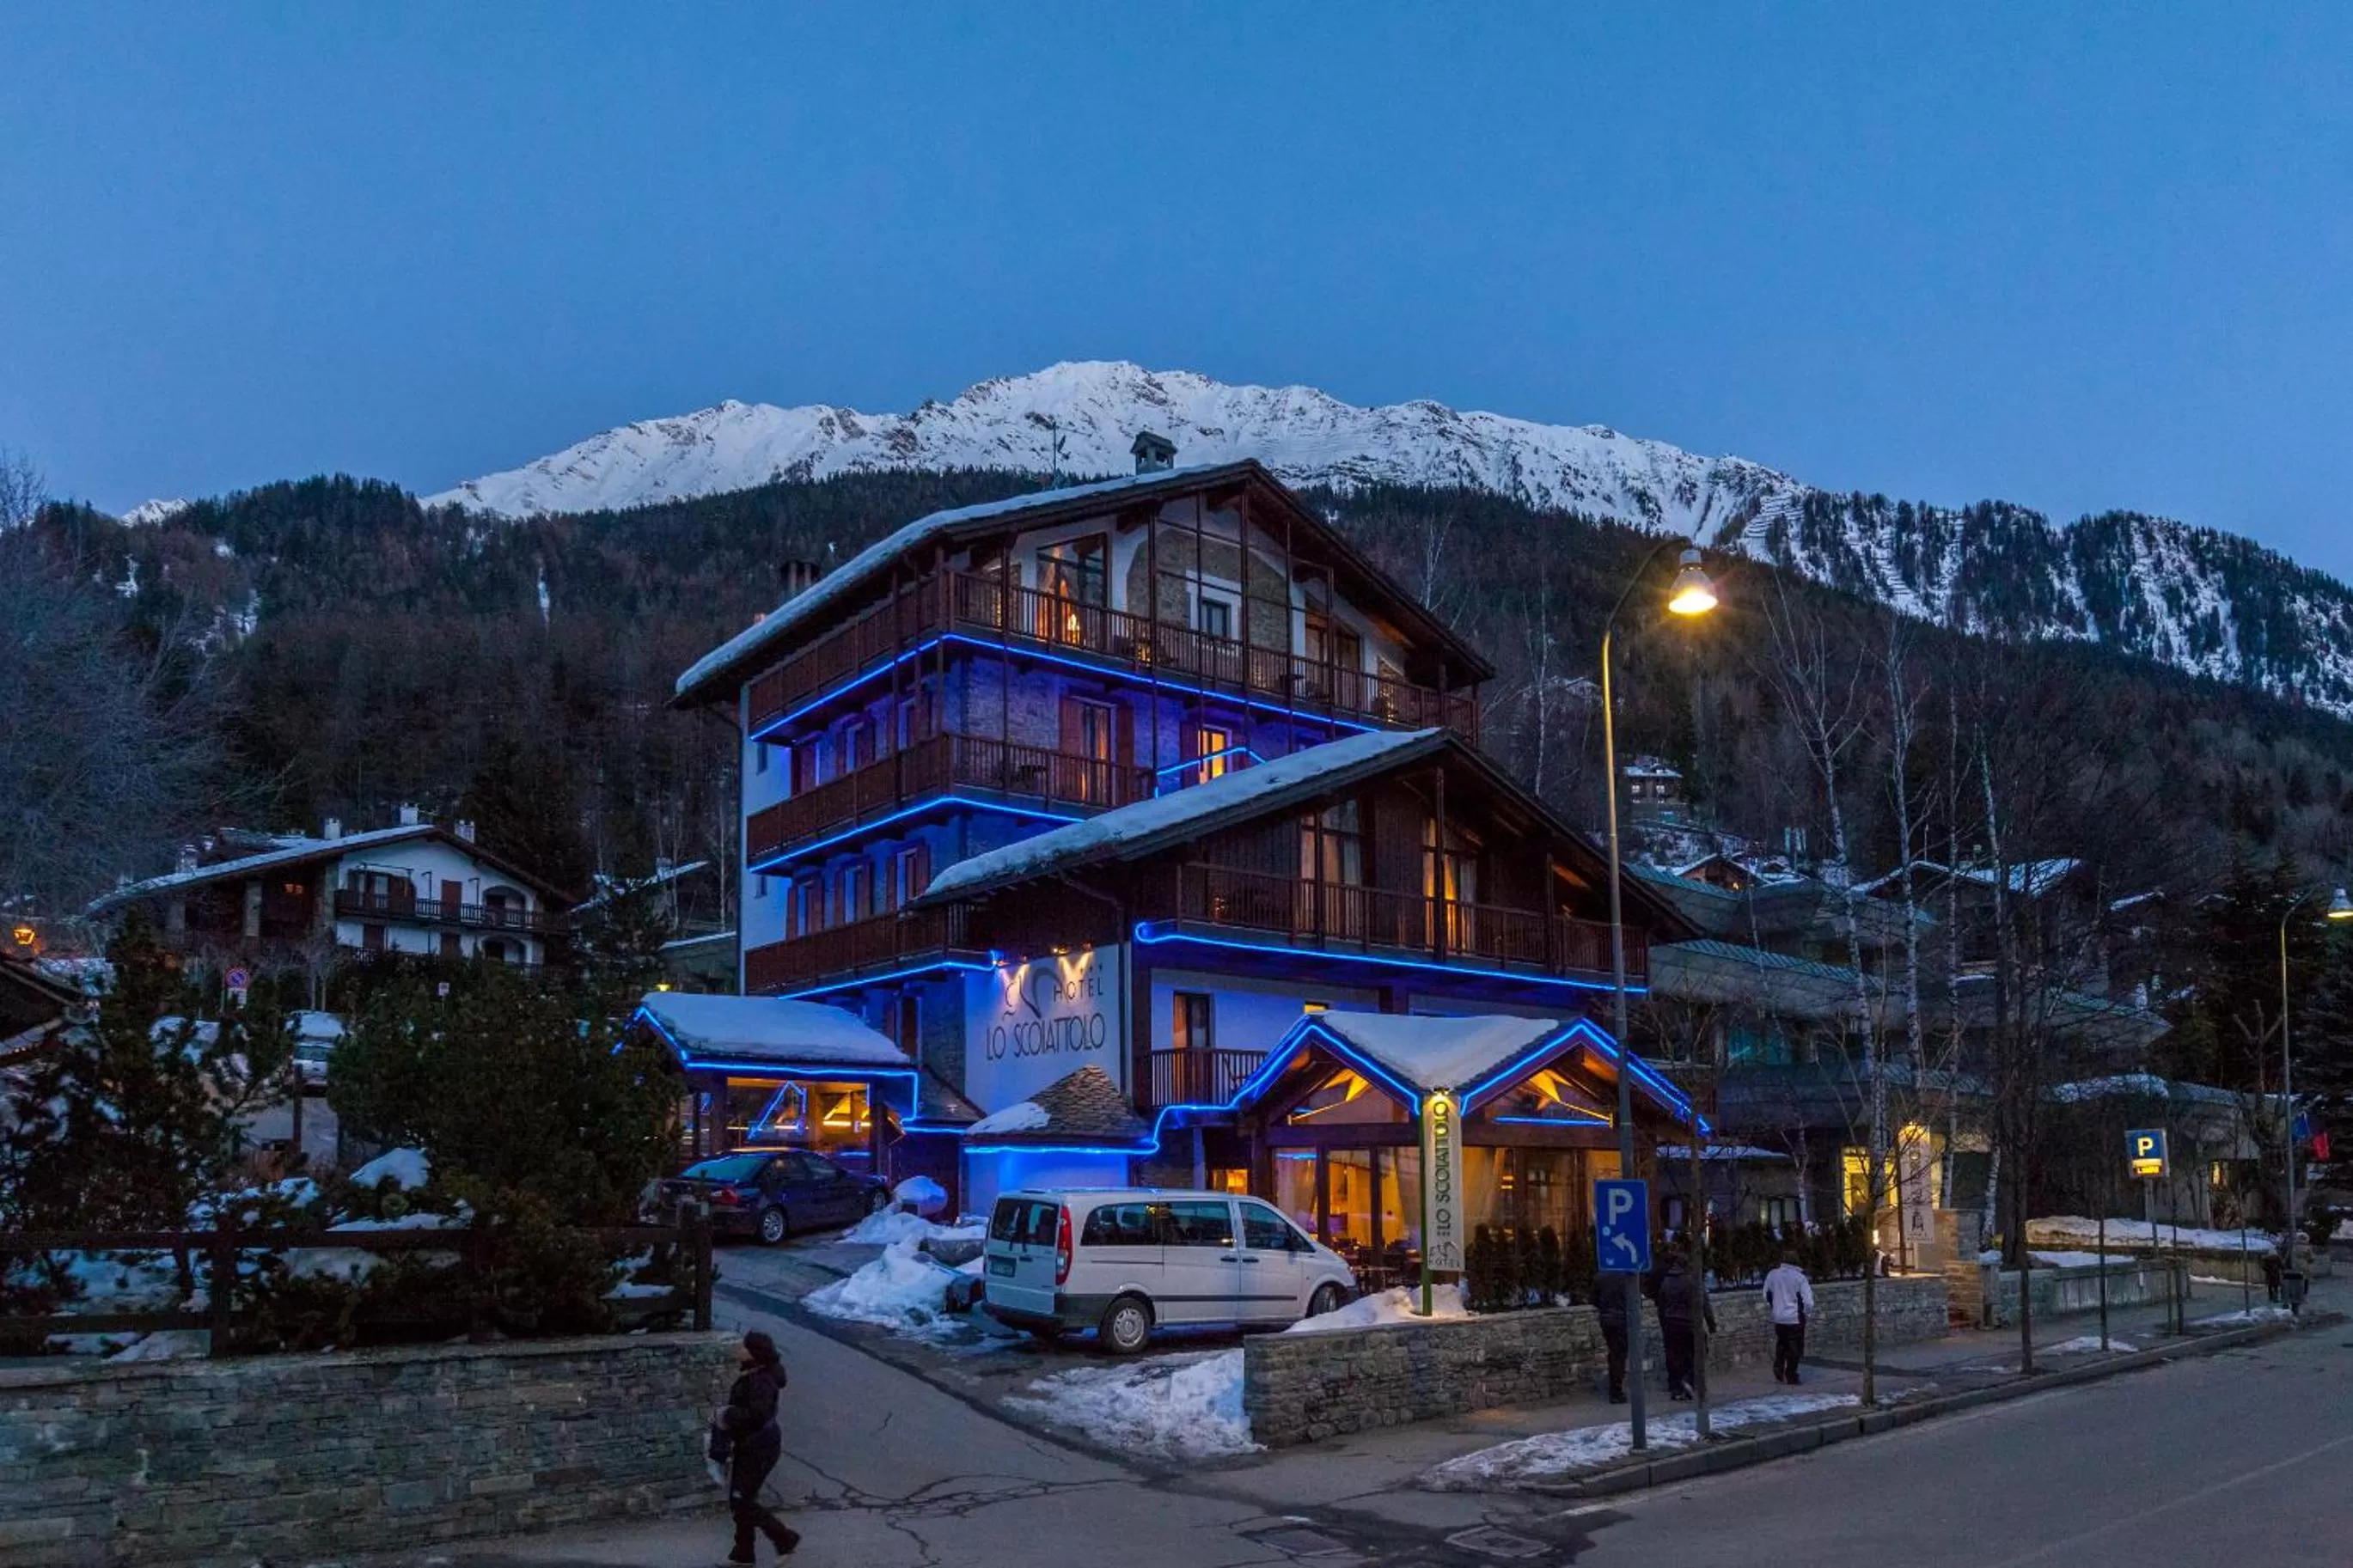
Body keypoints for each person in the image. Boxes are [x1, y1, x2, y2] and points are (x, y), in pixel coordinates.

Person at [714, 1330, 798, 1563]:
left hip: (760, 1447)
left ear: (754, 1353)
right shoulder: (755, 1373)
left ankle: (784, 1538)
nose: (739, 1349)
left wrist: (728, 1414)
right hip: (751, 1444)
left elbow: (757, 1415)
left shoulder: (761, 1381)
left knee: (742, 1500)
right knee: (740, 1500)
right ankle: (743, 1553)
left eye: (744, 1346)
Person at [1653, 1249, 1715, 1400]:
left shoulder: (1666, 1282)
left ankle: (1677, 1388)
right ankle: (1689, 1380)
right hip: (1689, 1322)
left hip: (1671, 1323)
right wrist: (1711, 1323)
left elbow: (1661, 1305)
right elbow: (1704, 1303)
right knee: (1699, 1351)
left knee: (1675, 1355)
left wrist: (1664, 1323)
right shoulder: (1692, 1280)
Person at [1763, 1250, 1816, 1386]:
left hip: (1778, 1316)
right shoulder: (1799, 1278)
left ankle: (1778, 1367)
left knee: (1781, 1343)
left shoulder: (1772, 1275)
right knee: (1795, 1347)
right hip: (1794, 1317)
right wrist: (1806, 1312)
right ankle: (1791, 1375)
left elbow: (1766, 1295)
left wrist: (1775, 1307)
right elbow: (1808, 1301)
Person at [1593, 1269, 1632, 1403]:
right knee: (1619, 1355)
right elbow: (1633, 1299)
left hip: (1606, 1319)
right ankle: (1616, 1391)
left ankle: (1615, 1387)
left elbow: (1594, 1299)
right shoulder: (1626, 1277)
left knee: (1614, 1353)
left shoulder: (1601, 1276)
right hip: (1621, 1319)